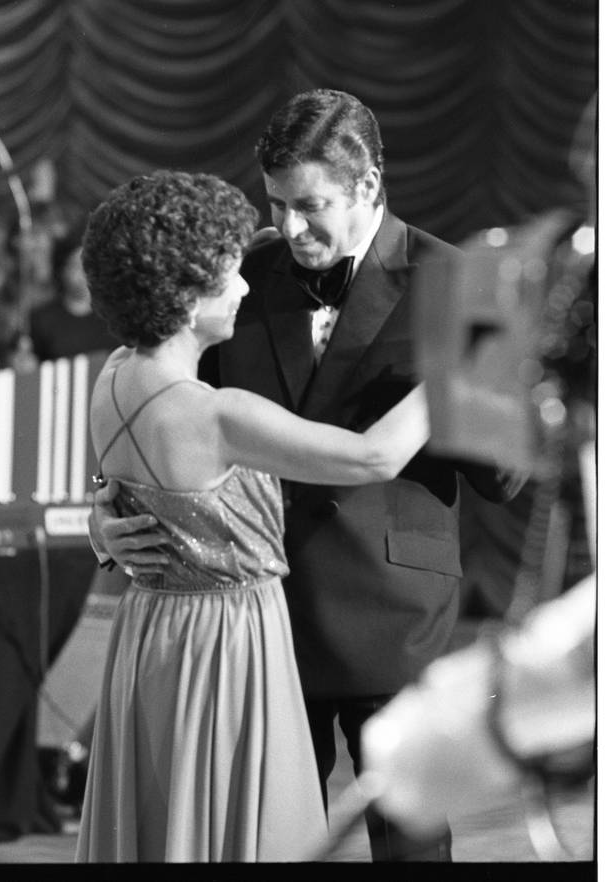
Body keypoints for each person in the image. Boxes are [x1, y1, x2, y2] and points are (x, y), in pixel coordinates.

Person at [90, 89, 526, 862]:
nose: (290, 227)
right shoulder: (239, 278)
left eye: (310, 204)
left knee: (411, 842)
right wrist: (105, 513)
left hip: (392, 618)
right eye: (278, 203)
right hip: (257, 625)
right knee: (264, 840)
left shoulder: (460, 284)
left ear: (369, 183)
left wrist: (491, 385)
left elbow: (507, 480)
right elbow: (166, 414)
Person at [74, 169, 432, 863]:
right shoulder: (216, 413)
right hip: (230, 642)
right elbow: (371, 458)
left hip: (152, 634)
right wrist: (458, 364)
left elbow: (124, 485)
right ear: (182, 294)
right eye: (228, 275)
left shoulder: (113, 375)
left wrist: (100, 524)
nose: (245, 286)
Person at [29, 230, 118, 362]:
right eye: (76, 266)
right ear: (62, 270)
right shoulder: (42, 319)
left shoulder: (114, 316)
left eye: (89, 265)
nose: (83, 273)